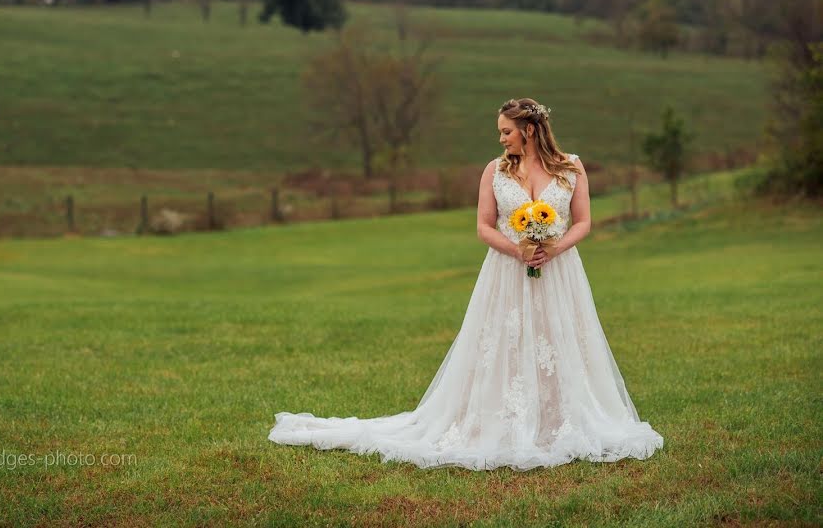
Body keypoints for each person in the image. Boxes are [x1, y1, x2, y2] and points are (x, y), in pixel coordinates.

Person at [267, 97, 664, 471]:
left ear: (528, 130)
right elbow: (482, 227)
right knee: (505, 344)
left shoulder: (570, 167)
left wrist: (554, 248)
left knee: (557, 340)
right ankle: (504, 420)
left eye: (506, 131)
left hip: (560, 272)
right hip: (507, 272)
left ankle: (560, 420)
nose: (501, 138)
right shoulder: (495, 171)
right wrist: (517, 250)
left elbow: (583, 222)